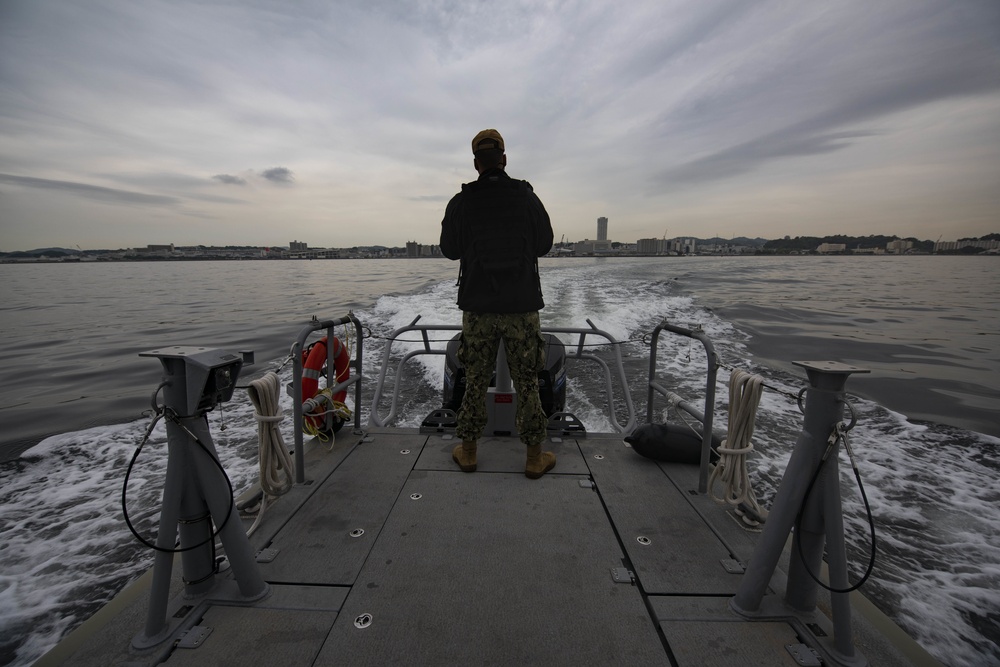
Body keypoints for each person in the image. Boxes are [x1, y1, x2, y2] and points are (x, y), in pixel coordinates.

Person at [439, 129, 556, 479]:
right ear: (504, 160)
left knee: (474, 379)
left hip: (478, 308)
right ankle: (534, 457)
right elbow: (545, 244)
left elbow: (449, 250)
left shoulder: (461, 202)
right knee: (528, 382)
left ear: (477, 164)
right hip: (521, 307)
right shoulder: (526, 196)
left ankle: (470, 452)